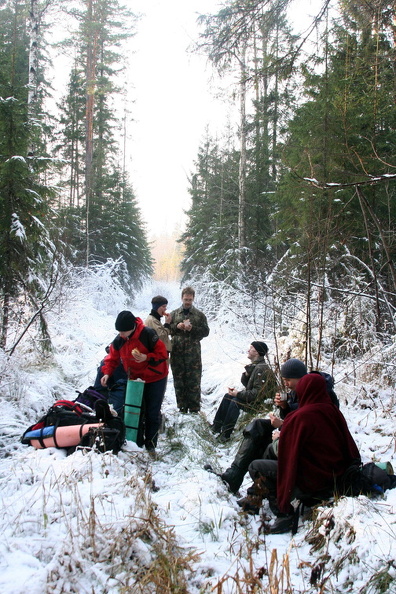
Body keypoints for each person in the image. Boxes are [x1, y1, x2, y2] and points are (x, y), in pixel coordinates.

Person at [239, 373, 361, 534]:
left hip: (311, 480)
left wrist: (277, 439)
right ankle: (255, 497)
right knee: (269, 455)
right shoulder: (333, 411)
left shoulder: (301, 417)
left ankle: (284, 512)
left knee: (256, 466)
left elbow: (286, 452)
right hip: (335, 475)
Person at [219, 358, 309, 493]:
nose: (286, 384)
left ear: (300, 378)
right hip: (291, 431)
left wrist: (283, 426)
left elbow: (307, 425)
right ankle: (234, 474)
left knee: (266, 444)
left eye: (288, 380)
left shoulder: (313, 393)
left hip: (303, 444)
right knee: (258, 425)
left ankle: (256, 492)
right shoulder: (297, 390)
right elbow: (294, 416)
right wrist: (284, 407)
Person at [100, 310, 168, 451]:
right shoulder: (120, 340)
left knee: (152, 412)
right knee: (136, 410)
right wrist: (107, 373)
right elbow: (112, 359)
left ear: (132, 327)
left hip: (156, 377)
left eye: (123, 331)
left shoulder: (148, 334)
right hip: (135, 379)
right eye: (119, 331)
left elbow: (162, 354)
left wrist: (146, 357)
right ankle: (136, 443)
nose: (121, 334)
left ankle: (151, 445)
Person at [211, 342, 277, 441]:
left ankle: (225, 435)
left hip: (260, 404)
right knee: (228, 396)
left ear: (257, 353)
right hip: (255, 400)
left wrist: (238, 394)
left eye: (251, 348)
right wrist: (247, 374)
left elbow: (257, 395)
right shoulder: (256, 366)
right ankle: (216, 427)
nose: (248, 350)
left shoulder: (261, 369)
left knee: (235, 402)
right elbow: (249, 386)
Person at [169, 286, 210, 413]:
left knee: (194, 381)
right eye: (186, 299)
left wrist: (192, 329)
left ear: (193, 299)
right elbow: (167, 330)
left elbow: (206, 332)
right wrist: (177, 326)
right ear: (182, 298)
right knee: (179, 381)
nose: (187, 302)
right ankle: (181, 407)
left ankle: (194, 409)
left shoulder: (199, 315)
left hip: (193, 354)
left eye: (190, 300)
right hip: (177, 353)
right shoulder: (174, 314)